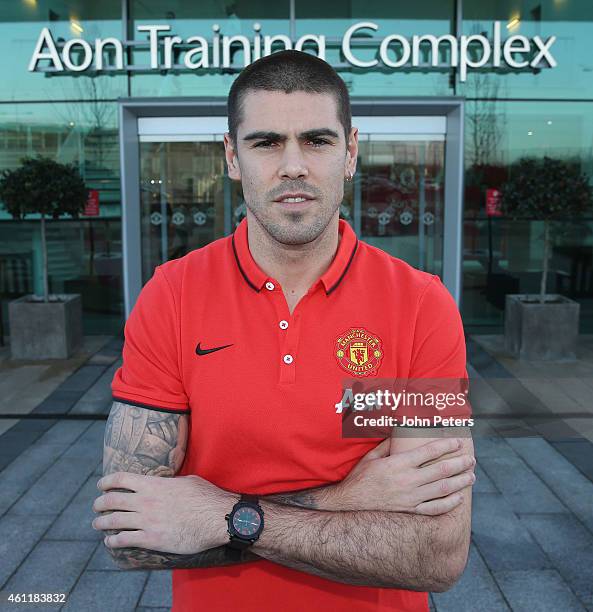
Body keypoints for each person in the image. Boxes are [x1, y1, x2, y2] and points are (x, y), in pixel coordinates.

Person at [92, 50, 475, 612]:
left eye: (318, 141)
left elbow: (436, 553)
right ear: (231, 156)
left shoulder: (418, 306)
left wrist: (219, 517)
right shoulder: (172, 297)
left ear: (350, 153)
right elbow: (130, 539)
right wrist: (346, 501)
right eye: (266, 142)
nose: (293, 165)